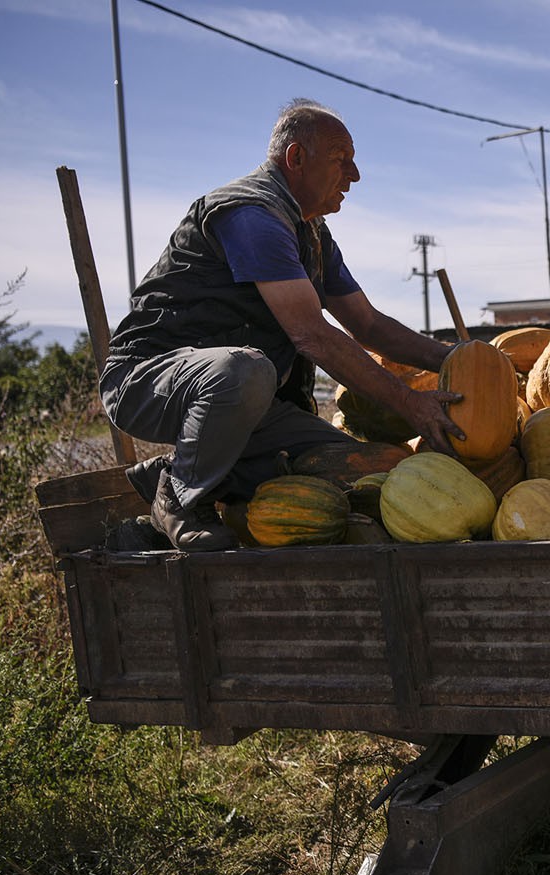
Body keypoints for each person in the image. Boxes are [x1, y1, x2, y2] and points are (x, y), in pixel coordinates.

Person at [100, 98, 461, 551]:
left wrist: (456, 356)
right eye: (341, 160)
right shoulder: (252, 214)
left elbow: (367, 325)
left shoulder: (310, 232)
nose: (354, 176)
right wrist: (412, 404)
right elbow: (312, 334)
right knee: (243, 370)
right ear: (295, 158)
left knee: (352, 474)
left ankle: (184, 472)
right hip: (147, 380)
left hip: (245, 401)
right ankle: (178, 496)